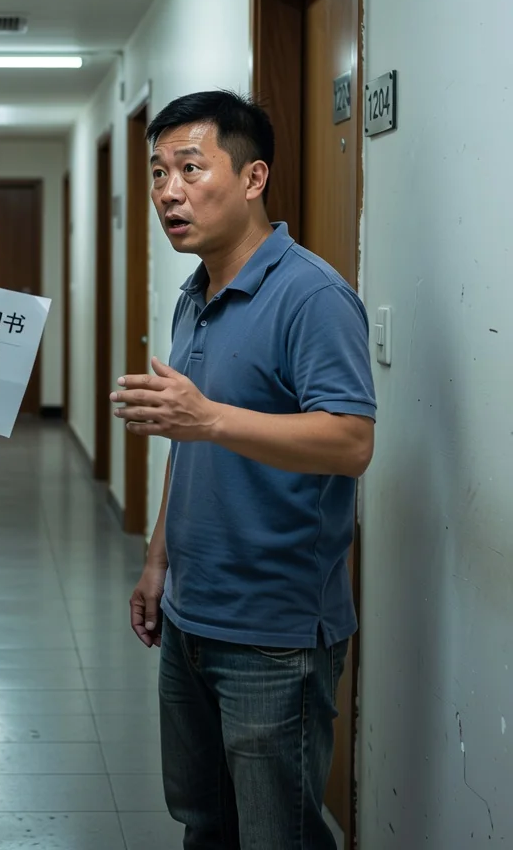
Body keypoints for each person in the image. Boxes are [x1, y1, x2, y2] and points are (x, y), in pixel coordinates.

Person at [112, 91, 376, 849]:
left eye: (190, 169)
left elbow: (350, 440)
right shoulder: (194, 295)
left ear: (254, 177)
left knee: (278, 834)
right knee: (205, 824)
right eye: (158, 173)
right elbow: (184, 437)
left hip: (275, 630)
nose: (168, 191)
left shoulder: (312, 295)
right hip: (194, 610)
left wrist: (210, 418)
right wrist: (158, 559)